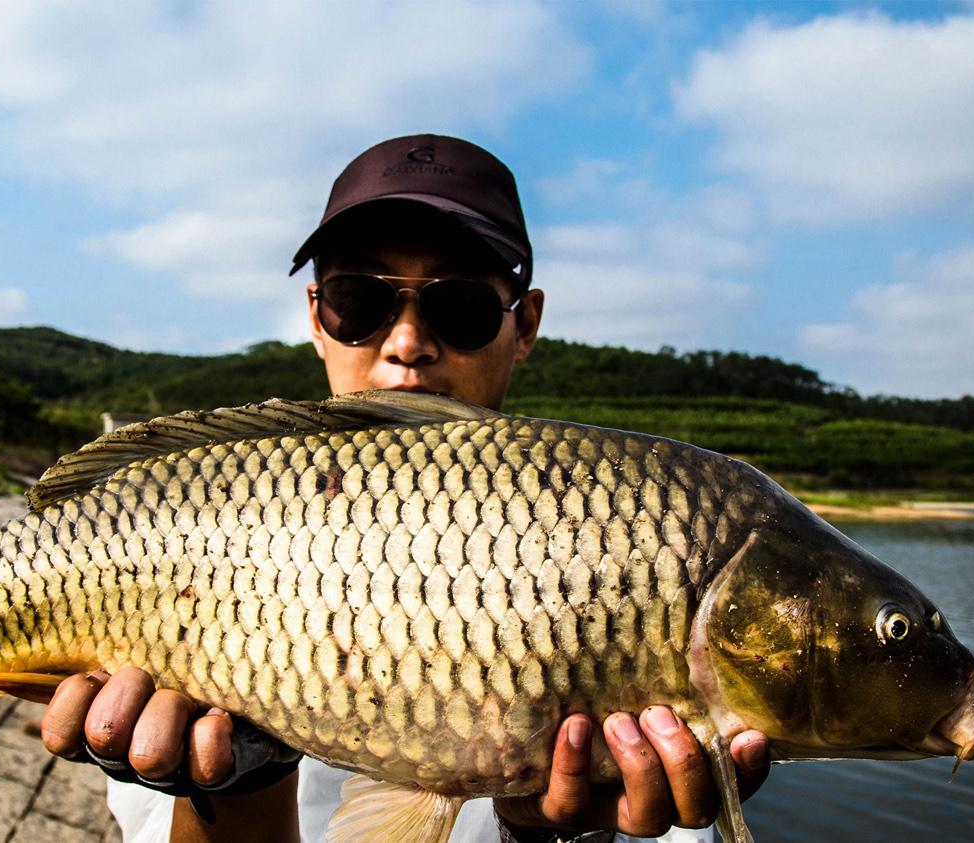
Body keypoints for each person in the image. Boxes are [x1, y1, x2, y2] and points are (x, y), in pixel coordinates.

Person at [38, 135, 771, 842]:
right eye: (360, 302)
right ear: (316, 318)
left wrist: (550, 837)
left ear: (526, 325)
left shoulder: (638, 548)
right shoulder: (185, 542)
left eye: (459, 306)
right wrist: (232, 782)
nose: (407, 340)